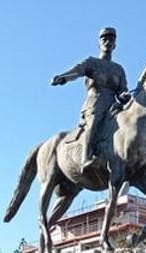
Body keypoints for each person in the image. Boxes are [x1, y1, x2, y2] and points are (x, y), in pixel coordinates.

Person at [51, 26, 129, 171]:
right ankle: (85, 157)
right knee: (94, 121)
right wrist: (64, 78)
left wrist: (124, 95)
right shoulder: (92, 62)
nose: (108, 42)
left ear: (115, 45)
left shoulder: (119, 69)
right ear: (99, 44)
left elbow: (122, 90)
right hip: (95, 103)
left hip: (112, 105)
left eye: (111, 39)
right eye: (104, 39)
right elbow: (76, 71)